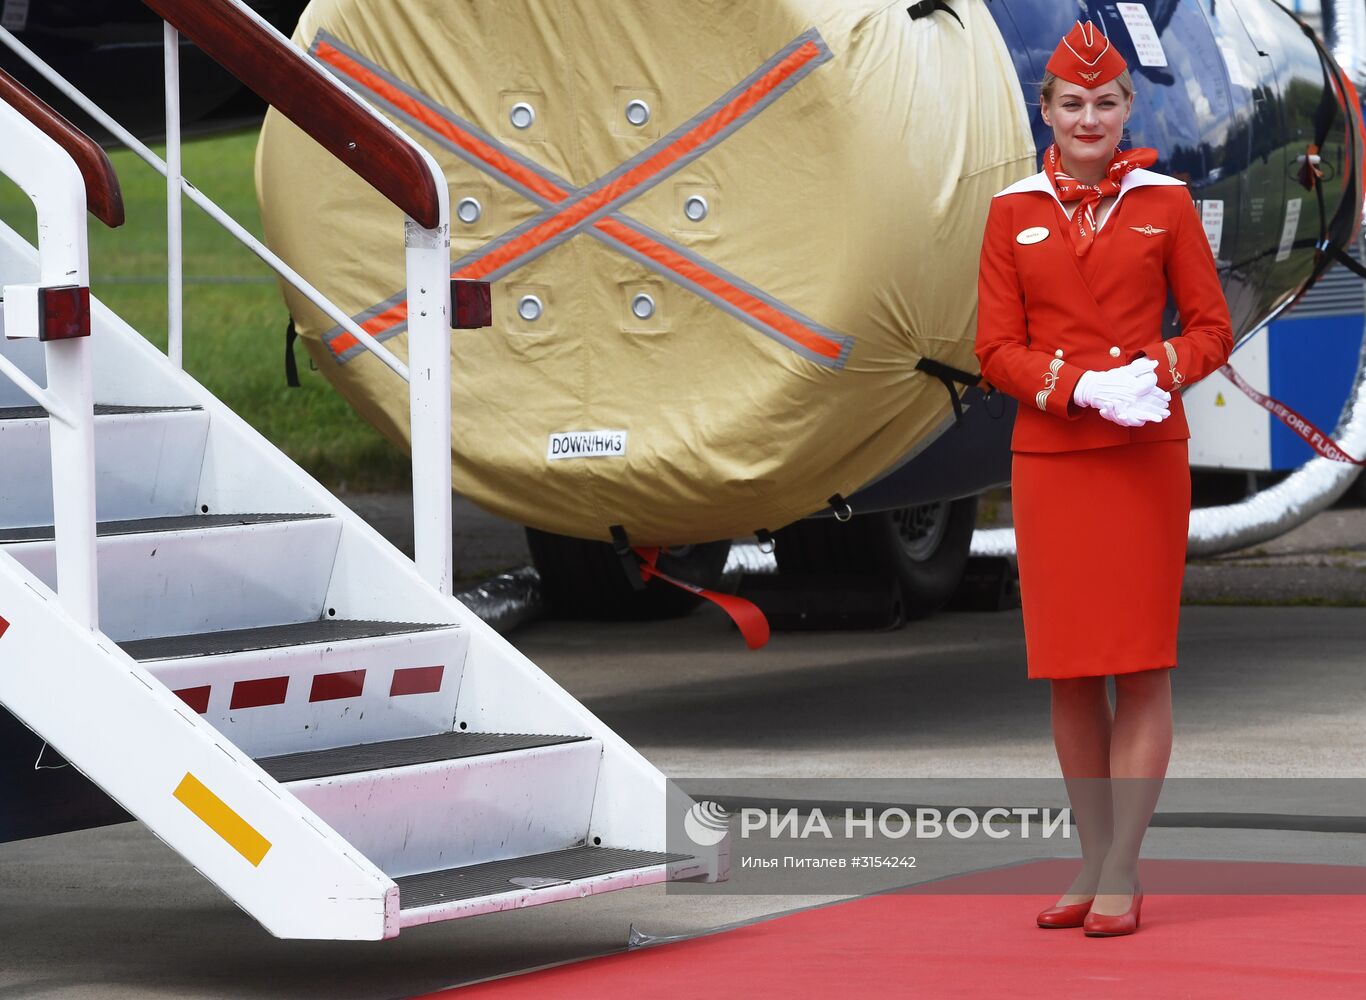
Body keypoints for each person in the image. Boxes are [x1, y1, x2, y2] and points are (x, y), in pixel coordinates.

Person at [974, 19, 1234, 938]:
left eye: (1106, 103)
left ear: (1130, 108)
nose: (1090, 118)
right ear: (1047, 110)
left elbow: (1211, 327)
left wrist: (1155, 372)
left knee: (1142, 665)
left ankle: (1123, 865)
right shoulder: (1011, 211)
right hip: (1053, 457)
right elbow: (994, 347)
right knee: (1071, 673)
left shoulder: (1166, 202)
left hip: (1141, 458)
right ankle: (1090, 857)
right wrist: (1076, 386)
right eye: (1072, 104)